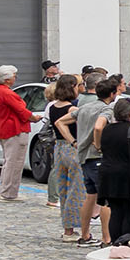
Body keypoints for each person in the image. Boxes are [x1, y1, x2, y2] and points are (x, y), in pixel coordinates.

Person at [92, 81, 130, 248]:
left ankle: (115, 241)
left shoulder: (108, 129)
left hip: (109, 174)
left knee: (116, 211)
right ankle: (127, 242)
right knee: (129, 211)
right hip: (128, 176)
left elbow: (101, 146)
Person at [45, 76, 90, 240]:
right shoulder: (72, 109)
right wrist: (74, 141)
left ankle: (67, 228)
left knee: (63, 188)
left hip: (59, 148)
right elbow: (61, 125)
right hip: (71, 148)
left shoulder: (52, 107)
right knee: (76, 190)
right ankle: (74, 227)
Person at [0, 65, 33, 207]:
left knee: (11, 161)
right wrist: (33, 117)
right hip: (14, 129)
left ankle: (10, 191)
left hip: (5, 129)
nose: (15, 78)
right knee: (14, 162)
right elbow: (21, 110)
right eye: (14, 76)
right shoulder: (6, 93)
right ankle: (8, 192)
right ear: (7, 79)